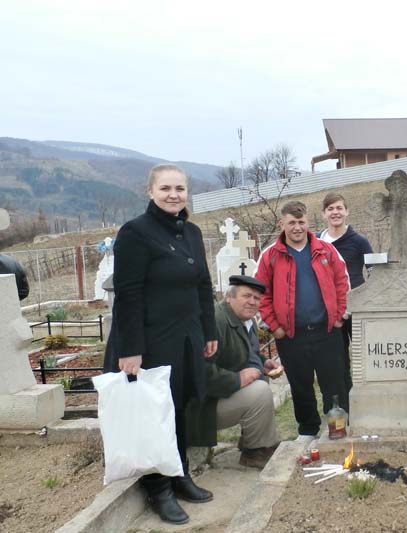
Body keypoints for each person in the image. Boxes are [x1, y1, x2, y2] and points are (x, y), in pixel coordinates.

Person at [103, 163, 218, 525]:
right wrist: (130, 349)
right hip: (149, 341)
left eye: (180, 188)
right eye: (166, 188)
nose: (173, 195)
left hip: (185, 338)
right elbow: (128, 294)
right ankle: (158, 488)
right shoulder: (135, 232)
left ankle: (179, 473)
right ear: (150, 191)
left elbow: (203, 285)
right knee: (152, 413)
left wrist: (209, 331)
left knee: (178, 408)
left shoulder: (192, 232)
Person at [255, 200, 349, 441]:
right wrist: (274, 326)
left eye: (301, 222)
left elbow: (342, 283)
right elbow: (261, 294)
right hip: (291, 335)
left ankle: (337, 427)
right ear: (281, 224)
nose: (297, 227)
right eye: (291, 223)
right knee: (300, 386)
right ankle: (307, 430)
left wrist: (339, 316)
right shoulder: (270, 256)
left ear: (308, 222)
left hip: (327, 331)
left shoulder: (326, 250)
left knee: (335, 384)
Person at [185, 275, 281, 469]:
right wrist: (237, 379)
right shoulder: (216, 321)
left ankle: (252, 440)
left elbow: (246, 352)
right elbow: (198, 371)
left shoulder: (246, 320)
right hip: (202, 407)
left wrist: (263, 363)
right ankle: (255, 453)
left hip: (219, 398)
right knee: (259, 391)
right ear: (229, 297)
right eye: (246, 296)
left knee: (259, 380)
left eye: (256, 298)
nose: (252, 302)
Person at [317, 192, 373, 393]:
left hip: (356, 307)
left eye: (339, 208)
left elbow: (374, 272)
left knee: (364, 354)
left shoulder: (359, 241)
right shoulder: (316, 242)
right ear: (323, 214)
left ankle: (367, 394)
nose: (335, 212)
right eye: (330, 209)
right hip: (328, 309)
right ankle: (345, 398)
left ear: (347, 211)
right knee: (338, 359)